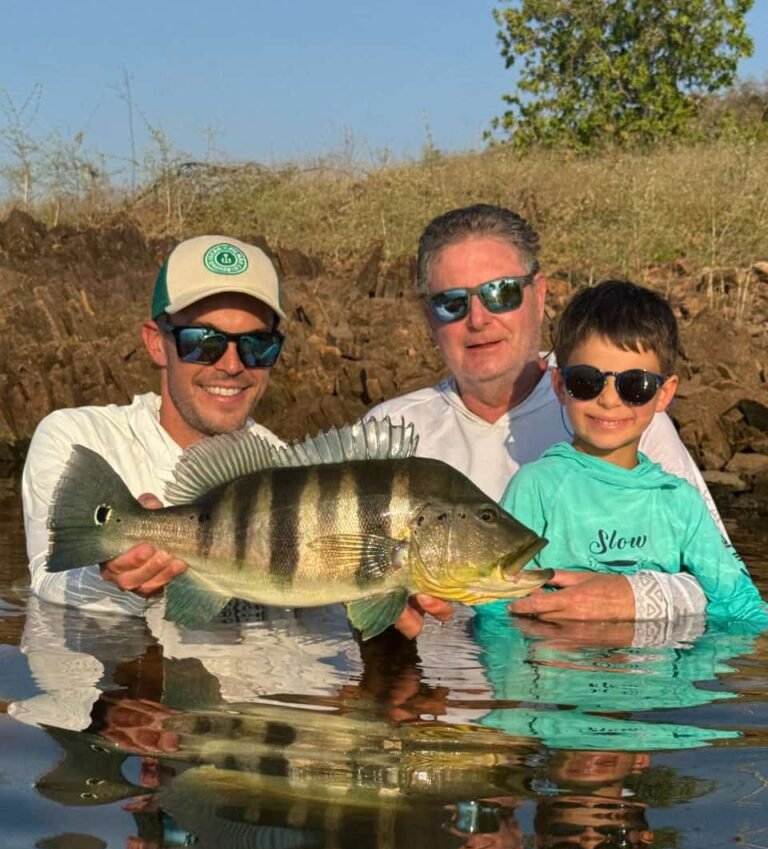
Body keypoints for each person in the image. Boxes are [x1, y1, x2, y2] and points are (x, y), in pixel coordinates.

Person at [367, 204, 726, 635]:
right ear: (429, 317)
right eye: (452, 304)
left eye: (501, 293)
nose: (478, 320)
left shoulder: (616, 410)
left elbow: (722, 582)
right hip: (437, 695)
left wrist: (638, 595)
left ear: (539, 295)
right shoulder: (384, 435)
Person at [23, 234, 287, 615]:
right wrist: (111, 574)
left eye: (257, 344)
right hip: (126, 673)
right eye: (203, 341)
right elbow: (49, 581)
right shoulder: (80, 439)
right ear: (156, 343)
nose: (232, 365)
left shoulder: (284, 466)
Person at [500, 279, 768, 626]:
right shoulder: (535, 487)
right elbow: (495, 604)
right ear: (560, 386)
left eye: (635, 385)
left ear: (664, 393)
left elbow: (742, 605)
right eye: (586, 381)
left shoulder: (680, 502)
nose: (609, 400)